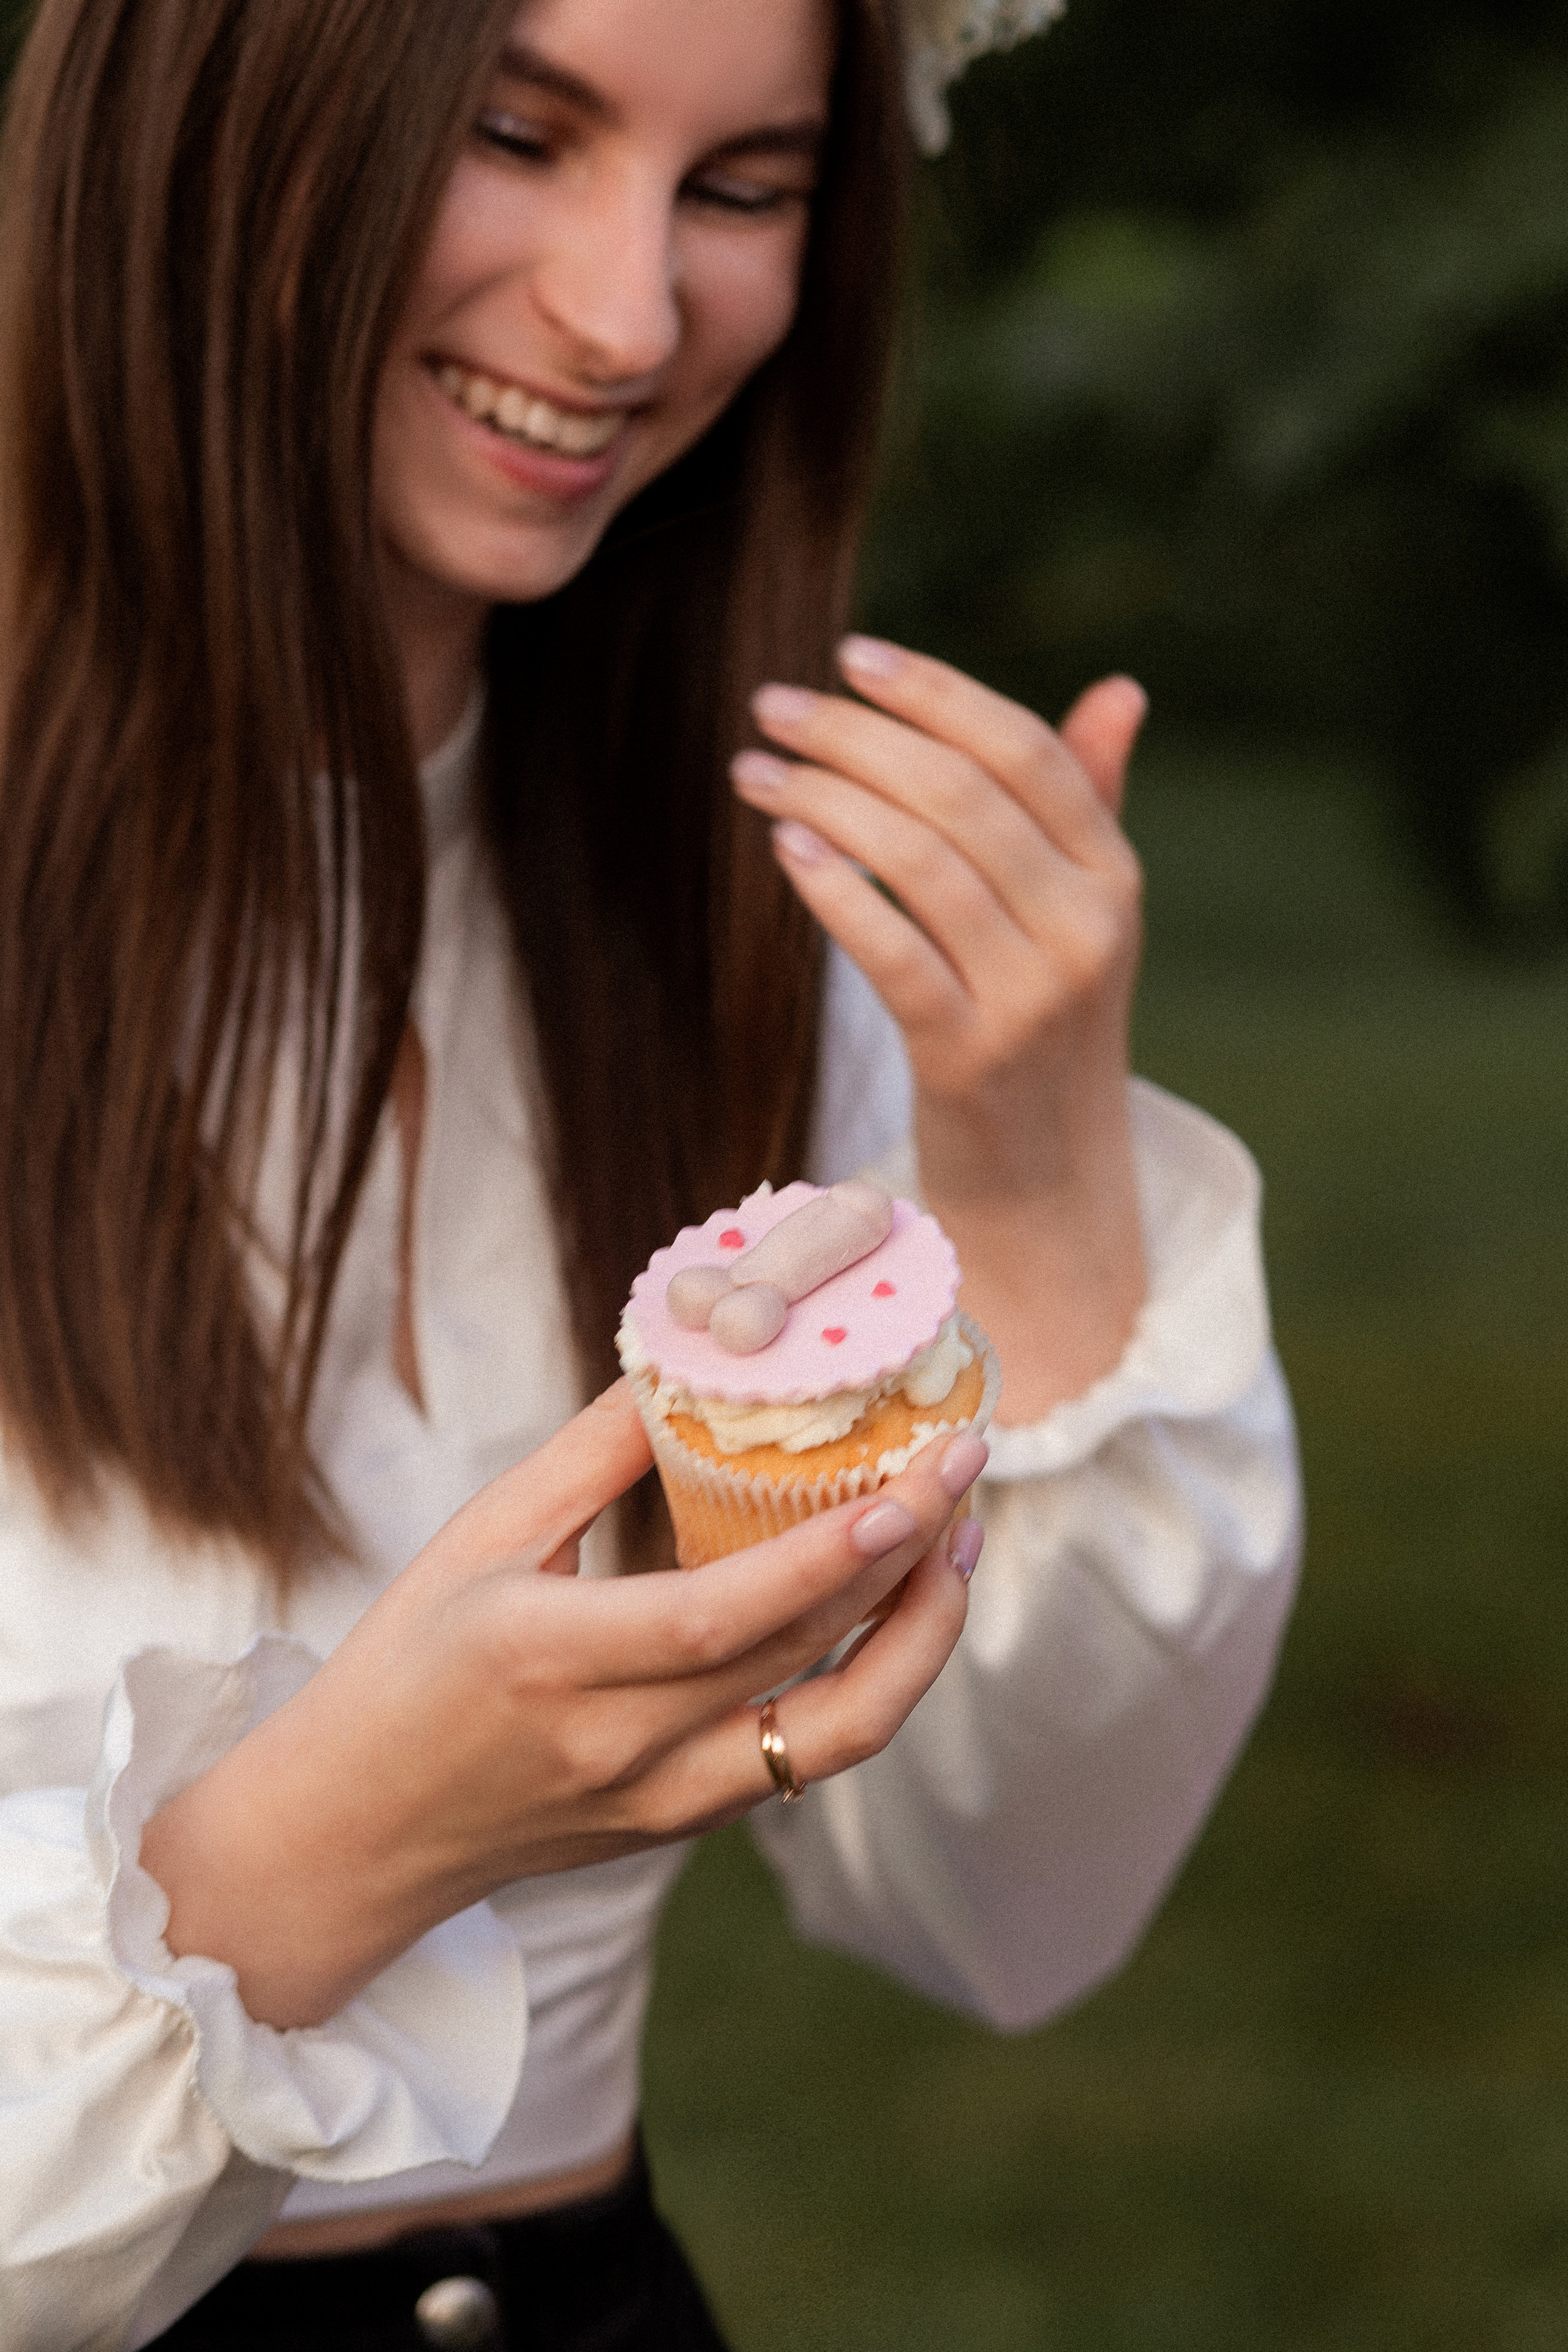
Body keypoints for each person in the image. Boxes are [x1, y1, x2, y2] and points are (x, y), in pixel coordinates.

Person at [0, 0, 1300, 2345]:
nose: (625, 319)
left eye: (744, 189)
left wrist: (1031, 1182)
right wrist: (339, 1849)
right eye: (517, 131)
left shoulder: (733, 926)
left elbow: (1010, 1895)